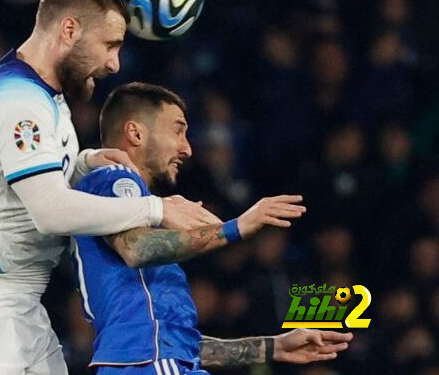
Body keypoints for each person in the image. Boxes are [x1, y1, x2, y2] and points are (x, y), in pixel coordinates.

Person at [0, 0, 219, 375]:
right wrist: (155, 210)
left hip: (18, 309)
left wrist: (83, 163)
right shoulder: (17, 99)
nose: (114, 63)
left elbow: (29, 182)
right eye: (110, 45)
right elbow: (50, 211)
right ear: (69, 29)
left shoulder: (46, 97)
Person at [72, 82, 354, 374]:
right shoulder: (114, 177)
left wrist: (274, 347)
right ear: (136, 133)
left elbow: (179, 344)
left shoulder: (149, 318)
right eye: (177, 130)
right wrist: (237, 227)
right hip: (148, 365)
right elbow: (136, 248)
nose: (187, 148)